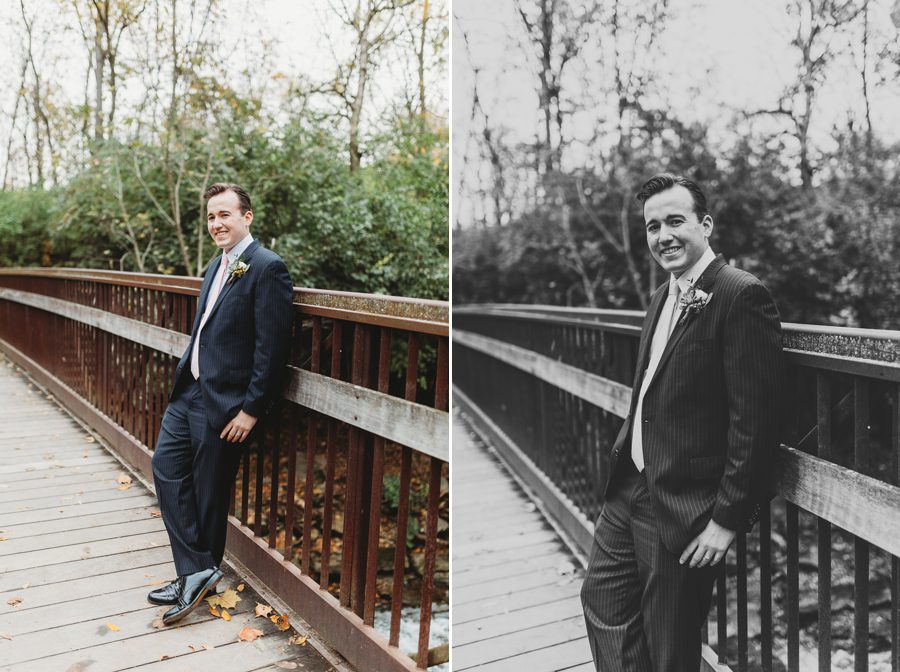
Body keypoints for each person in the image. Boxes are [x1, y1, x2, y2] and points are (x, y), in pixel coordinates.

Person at [580, 173, 785, 671]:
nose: (663, 236)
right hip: (628, 489)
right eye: (653, 226)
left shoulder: (741, 295)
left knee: (670, 646)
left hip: (681, 504)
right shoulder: (662, 297)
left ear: (705, 224)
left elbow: (755, 422)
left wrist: (726, 521)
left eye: (676, 221)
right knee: (601, 603)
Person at [148, 183, 293, 625]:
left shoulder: (267, 268)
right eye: (211, 217)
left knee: (209, 494)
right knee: (166, 469)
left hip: (227, 403)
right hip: (188, 392)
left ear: (247, 217)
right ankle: (197, 571)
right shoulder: (216, 267)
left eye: (225, 215)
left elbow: (273, 348)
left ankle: (193, 575)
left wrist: (250, 410)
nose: (217, 224)